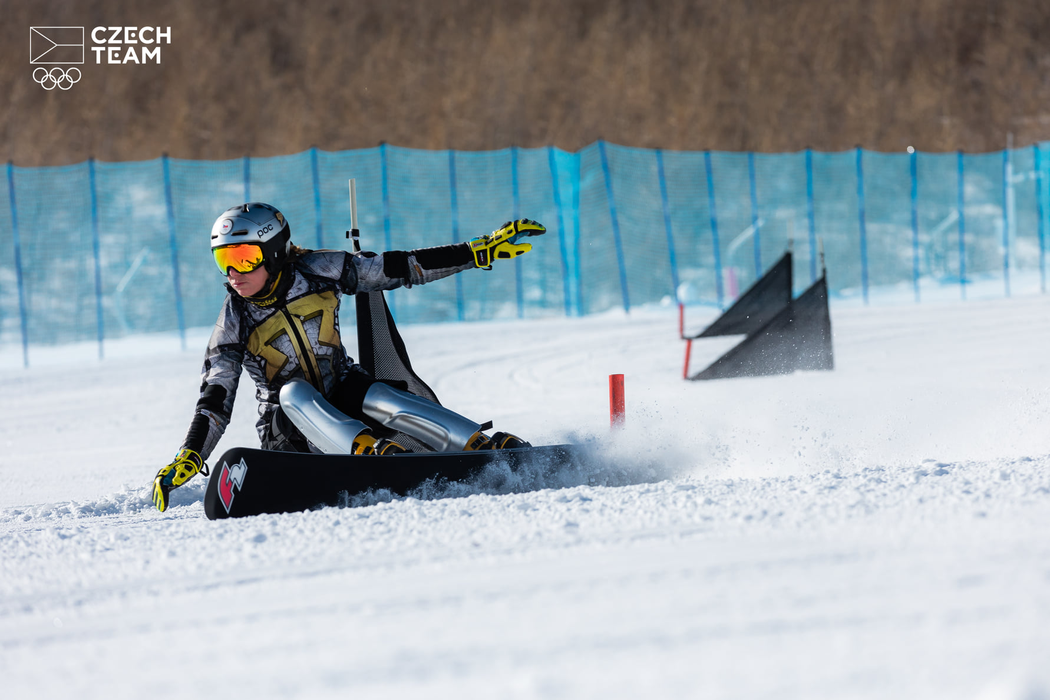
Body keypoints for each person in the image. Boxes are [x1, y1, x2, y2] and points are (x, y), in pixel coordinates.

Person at [152, 202, 545, 512]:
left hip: (348, 403)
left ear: (272, 252)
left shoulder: (320, 270)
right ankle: (370, 455)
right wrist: (190, 454)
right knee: (292, 391)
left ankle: (479, 446)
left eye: (242, 258)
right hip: (290, 435)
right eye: (224, 261)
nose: (233, 274)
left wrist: (477, 251)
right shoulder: (233, 322)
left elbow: (400, 267)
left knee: (376, 392)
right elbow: (216, 397)